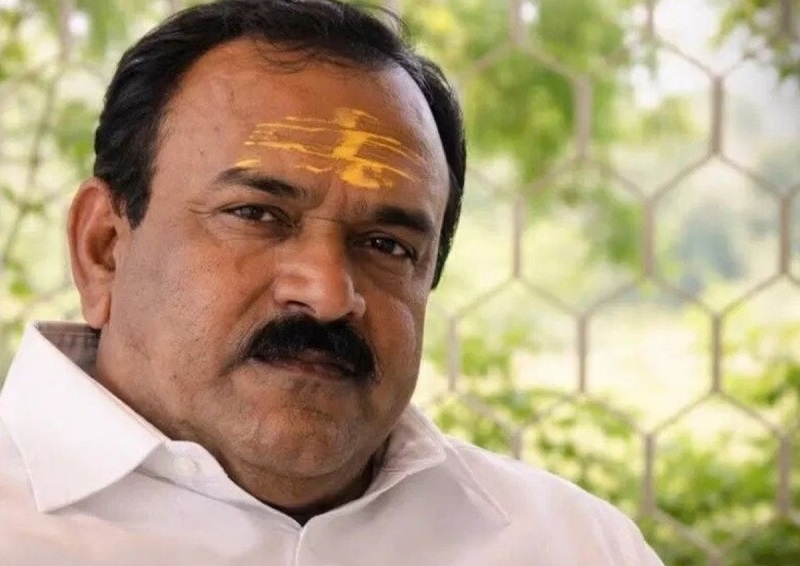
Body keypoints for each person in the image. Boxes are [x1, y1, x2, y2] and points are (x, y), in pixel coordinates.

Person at [0, 0, 664, 564]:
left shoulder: (574, 545)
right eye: (257, 215)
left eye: (386, 245)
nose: (326, 293)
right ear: (103, 249)